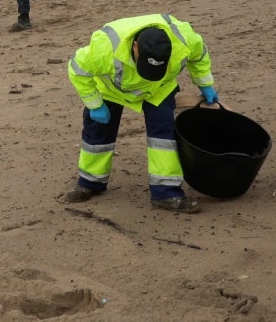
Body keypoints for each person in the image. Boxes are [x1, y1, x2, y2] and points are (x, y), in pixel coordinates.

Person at [65, 13, 218, 213]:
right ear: (136, 46)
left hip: (158, 89)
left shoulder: (185, 39)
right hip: (112, 90)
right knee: (97, 135)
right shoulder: (104, 48)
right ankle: (90, 182)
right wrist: (94, 104)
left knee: (164, 139)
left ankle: (166, 193)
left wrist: (205, 84)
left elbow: (199, 56)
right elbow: (77, 69)